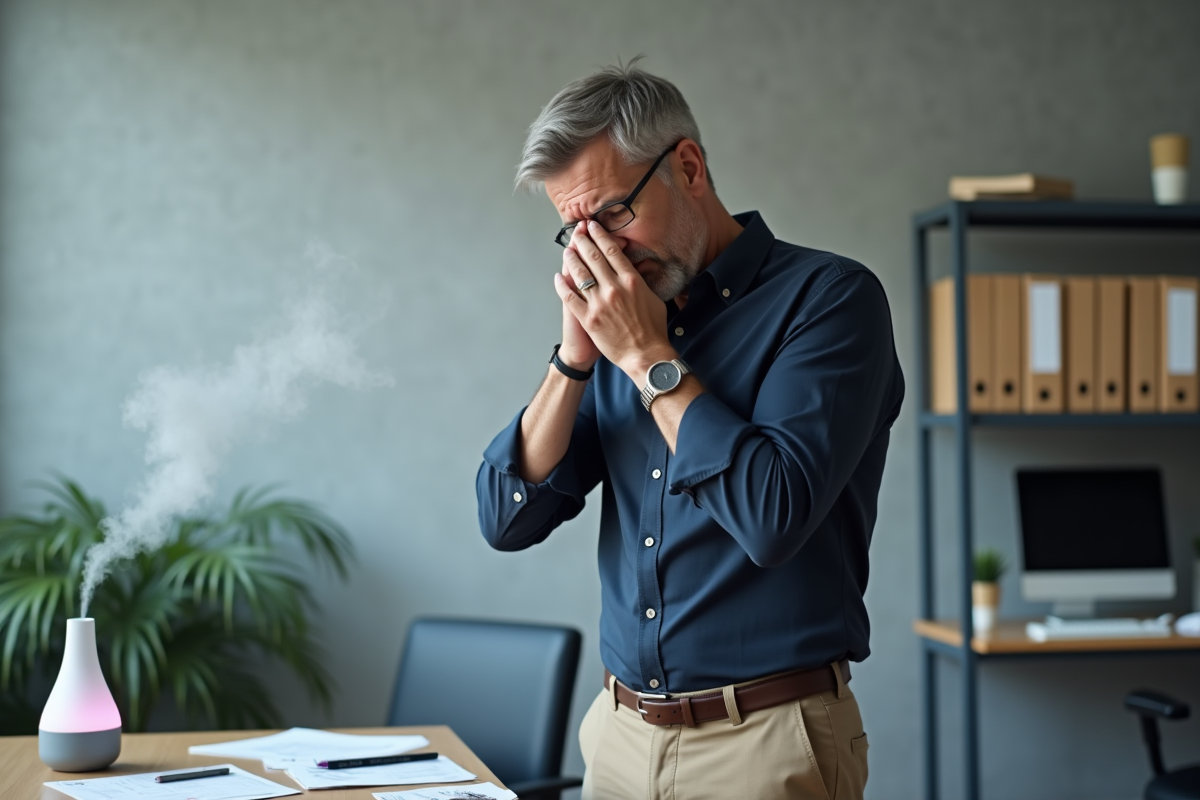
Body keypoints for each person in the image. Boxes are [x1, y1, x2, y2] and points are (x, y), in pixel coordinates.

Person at [476, 59, 904, 800]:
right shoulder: (619, 325)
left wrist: (649, 359)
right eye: (573, 232)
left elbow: (772, 517)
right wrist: (576, 358)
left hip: (766, 743)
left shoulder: (830, 301)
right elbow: (508, 517)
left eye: (612, 213)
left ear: (689, 166)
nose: (601, 251)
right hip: (618, 735)